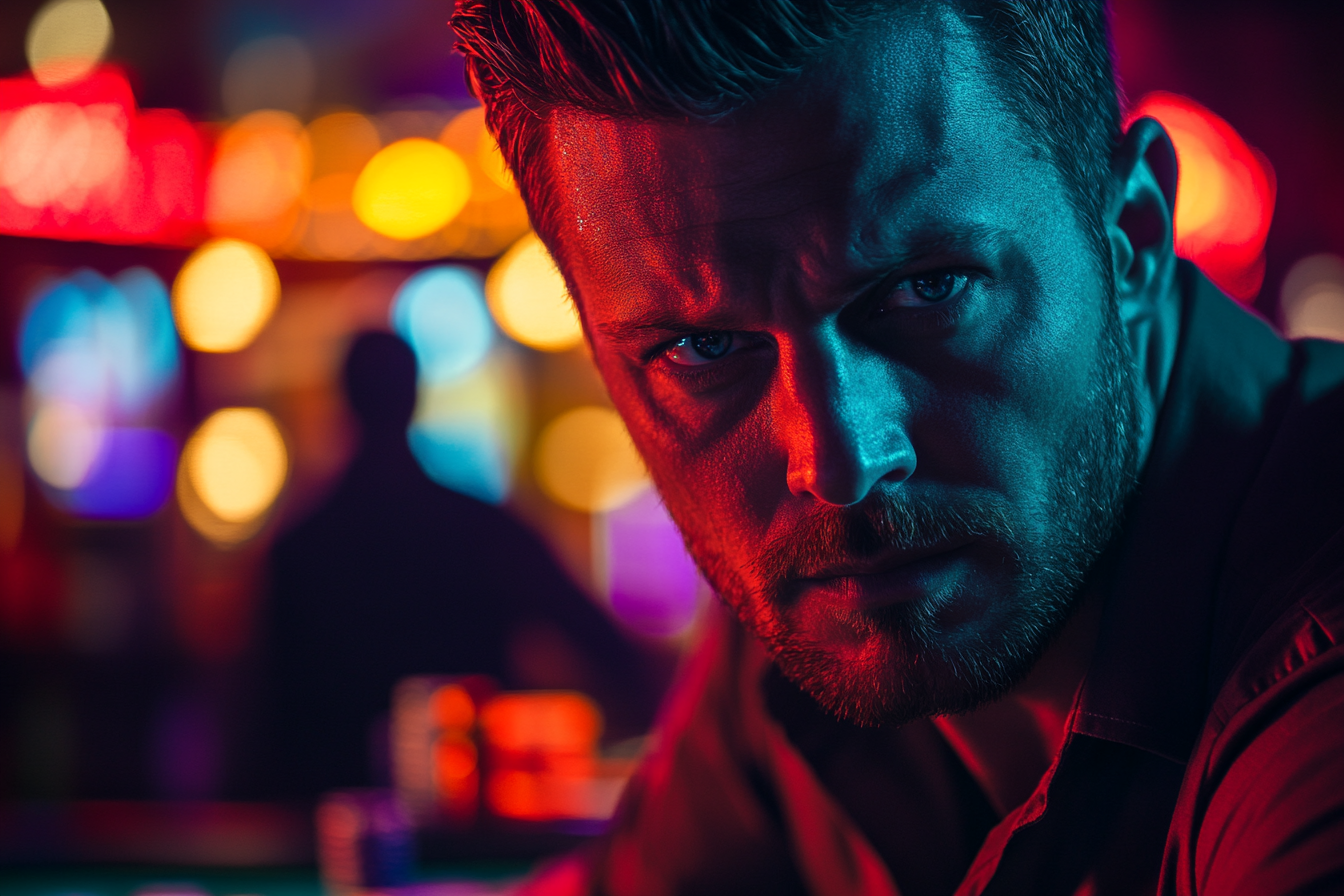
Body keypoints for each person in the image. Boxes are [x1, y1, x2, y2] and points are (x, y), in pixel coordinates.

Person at [451, 2, 1344, 894]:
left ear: (1134, 239)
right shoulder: (833, 594)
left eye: (929, 290)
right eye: (704, 349)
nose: (838, 463)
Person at [264, 330, 661, 799]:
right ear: (414, 396)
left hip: (330, 812)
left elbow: (262, 712)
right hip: (464, 808)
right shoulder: (478, 528)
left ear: (345, 400)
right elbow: (597, 638)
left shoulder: (299, 546)